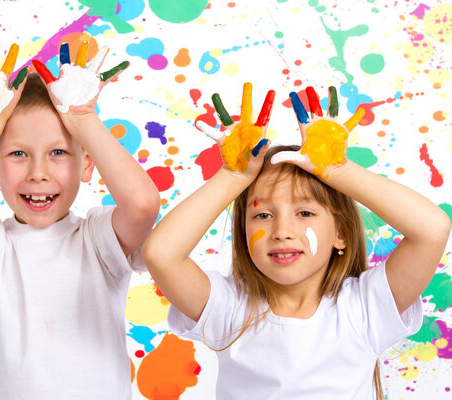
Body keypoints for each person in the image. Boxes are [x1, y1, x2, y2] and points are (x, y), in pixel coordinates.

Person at [142, 83, 450, 399]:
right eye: (262, 215)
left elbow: (433, 229)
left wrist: (339, 171)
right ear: (243, 232)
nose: (282, 230)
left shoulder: (364, 309)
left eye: (304, 212)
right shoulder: (229, 308)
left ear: (340, 234)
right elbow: (161, 253)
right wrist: (233, 178)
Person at [0, 42, 159, 399]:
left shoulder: (99, 239)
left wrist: (83, 119)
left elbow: (143, 204)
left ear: (88, 164)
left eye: (58, 152)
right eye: (18, 153)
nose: (38, 173)